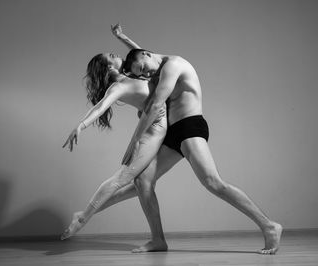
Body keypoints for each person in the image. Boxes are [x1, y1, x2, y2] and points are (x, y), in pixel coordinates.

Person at [119, 49, 283, 254]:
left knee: (213, 182)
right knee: (143, 180)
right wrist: (123, 40)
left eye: (144, 69)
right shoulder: (157, 66)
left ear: (147, 55)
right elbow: (143, 58)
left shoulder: (174, 64)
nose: (146, 75)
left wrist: (135, 141)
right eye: (141, 75)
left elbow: (155, 104)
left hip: (190, 126)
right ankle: (158, 240)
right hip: (172, 134)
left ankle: (269, 226)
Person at [60, 24, 168, 240]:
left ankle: (157, 239)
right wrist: (81, 125)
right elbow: (100, 106)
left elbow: (146, 56)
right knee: (123, 179)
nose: (118, 55)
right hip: (154, 131)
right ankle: (82, 218)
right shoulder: (118, 87)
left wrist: (122, 37)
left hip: (162, 129)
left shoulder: (136, 75)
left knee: (140, 183)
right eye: (112, 56)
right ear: (110, 68)